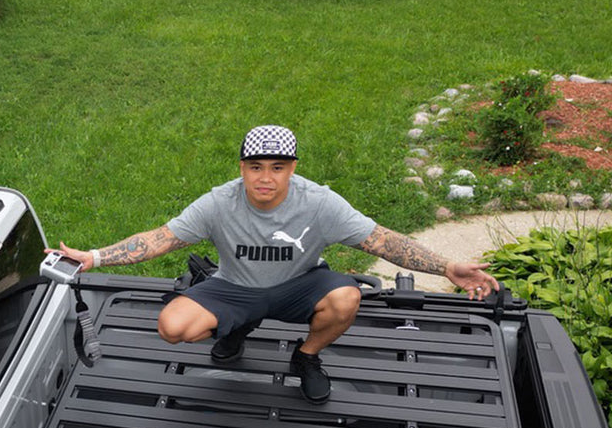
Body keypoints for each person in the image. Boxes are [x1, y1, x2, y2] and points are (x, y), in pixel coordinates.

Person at [50, 125, 499, 403]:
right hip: (235, 288)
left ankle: (306, 358)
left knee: (346, 297)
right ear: (241, 167)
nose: (266, 178)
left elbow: (380, 239)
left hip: (298, 285)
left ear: (293, 167)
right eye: (256, 166)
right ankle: (236, 327)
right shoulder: (218, 203)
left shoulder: (319, 203)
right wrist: (94, 257)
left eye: (278, 167)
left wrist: (446, 267)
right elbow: (162, 238)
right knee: (172, 327)